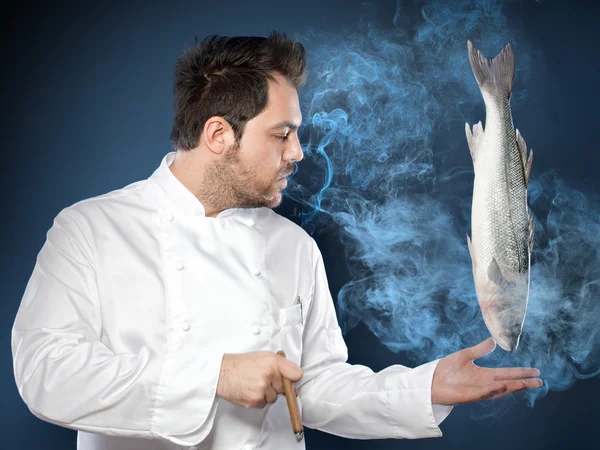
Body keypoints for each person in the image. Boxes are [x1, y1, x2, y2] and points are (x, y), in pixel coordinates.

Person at [11, 31, 542, 450]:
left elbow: (315, 388)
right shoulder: (90, 230)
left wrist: (424, 389)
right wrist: (214, 377)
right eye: (281, 134)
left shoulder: (292, 247)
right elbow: (46, 374)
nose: (299, 153)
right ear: (218, 135)